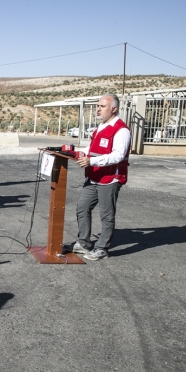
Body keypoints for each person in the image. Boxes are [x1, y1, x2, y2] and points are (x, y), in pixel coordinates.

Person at [73, 94, 131, 261]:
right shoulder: (100, 127)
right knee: (82, 208)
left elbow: (118, 156)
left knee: (106, 215)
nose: (98, 109)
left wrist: (92, 160)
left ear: (114, 109)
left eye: (102, 106)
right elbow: (91, 148)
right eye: (98, 106)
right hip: (93, 176)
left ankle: (102, 248)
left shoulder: (121, 130)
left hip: (110, 178)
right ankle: (84, 242)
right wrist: (77, 152)